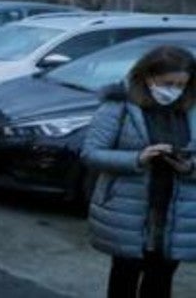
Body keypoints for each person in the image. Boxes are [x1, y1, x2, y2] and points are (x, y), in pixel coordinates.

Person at [82, 46, 196, 298]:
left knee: (161, 279)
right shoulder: (119, 105)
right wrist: (137, 158)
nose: (174, 91)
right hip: (129, 209)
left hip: (177, 214)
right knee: (125, 276)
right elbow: (91, 152)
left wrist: (188, 166)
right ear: (148, 77)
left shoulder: (191, 110)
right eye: (168, 83)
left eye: (181, 85)